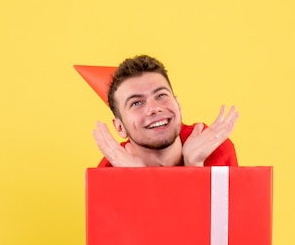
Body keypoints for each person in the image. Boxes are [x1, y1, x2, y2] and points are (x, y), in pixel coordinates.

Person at [92, 55, 239, 167]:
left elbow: (231, 208)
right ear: (120, 127)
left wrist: (195, 167)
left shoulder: (214, 148)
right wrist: (136, 180)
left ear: (178, 105)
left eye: (161, 95)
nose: (155, 108)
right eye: (136, 103)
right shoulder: (111, 166)